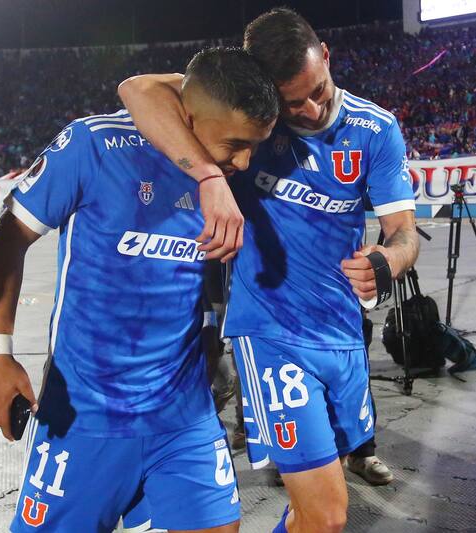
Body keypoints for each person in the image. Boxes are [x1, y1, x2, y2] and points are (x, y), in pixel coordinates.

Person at [119, 9, 420, 532]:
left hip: (344, 334)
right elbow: (138, 89)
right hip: (272, 334)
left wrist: (386, 260)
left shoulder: (376, 129)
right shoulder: (252, 121)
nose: (308, 109)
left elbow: (404, 233)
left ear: (325, 55)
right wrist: (211, 177)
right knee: (327, 515)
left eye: (318, 90)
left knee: (313, 514)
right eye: (291, 101)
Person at [0, 47, 278, 533]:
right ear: (188, 115)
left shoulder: (222, 176)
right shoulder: (94, 146)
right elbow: (8, 237)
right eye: (235, 144)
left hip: (182, 412)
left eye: (254, 146)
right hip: (86, 413)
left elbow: (198, 263)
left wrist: (207, 329)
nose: (245, 162)